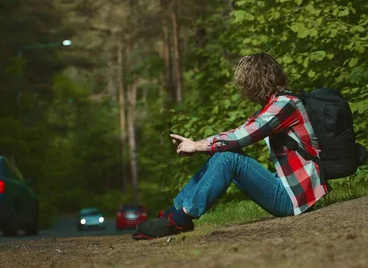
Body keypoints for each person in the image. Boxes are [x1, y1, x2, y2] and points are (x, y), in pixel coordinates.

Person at [133, 52, 329, 240]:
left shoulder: (285, 105)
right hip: (292, 192)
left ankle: (180, 219)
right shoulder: (275, 106)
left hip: (296, 199)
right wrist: (197, 144)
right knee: (227, 153)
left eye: (245, 84)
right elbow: (237, 133)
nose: (243, 90)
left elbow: (239, 137)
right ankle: (173, 215)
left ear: (255, 82)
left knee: (230, 157)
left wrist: (196, 146)